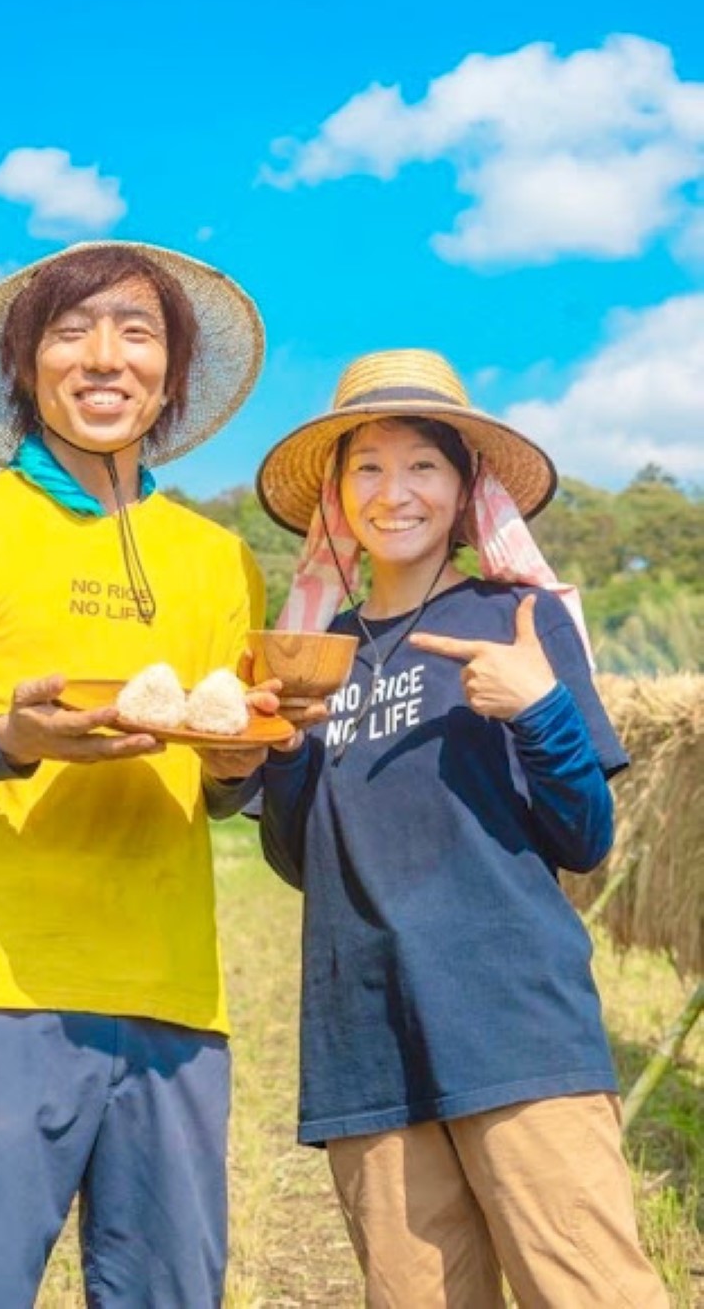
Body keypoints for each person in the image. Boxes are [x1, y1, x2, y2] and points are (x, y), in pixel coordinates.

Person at [0, 240, 271, 1308]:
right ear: (26, 365)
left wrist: (235, 765)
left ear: (171, 376)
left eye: (137, 333)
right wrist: (8, 741)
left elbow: (224, 785)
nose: (104, 357)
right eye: (71, 331)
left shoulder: (217, 559)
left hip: (175, 1000)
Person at [249, 349, 669, 1307]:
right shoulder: (316, 655)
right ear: (335, 497)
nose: (394, 492)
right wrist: (281, 754)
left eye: (422, 466)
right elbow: (298, 859)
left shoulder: (514, 619)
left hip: (514, 1030)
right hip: (366, 1045)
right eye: (366, 468)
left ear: (466, 487)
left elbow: (585, 837)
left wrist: (540, 713)